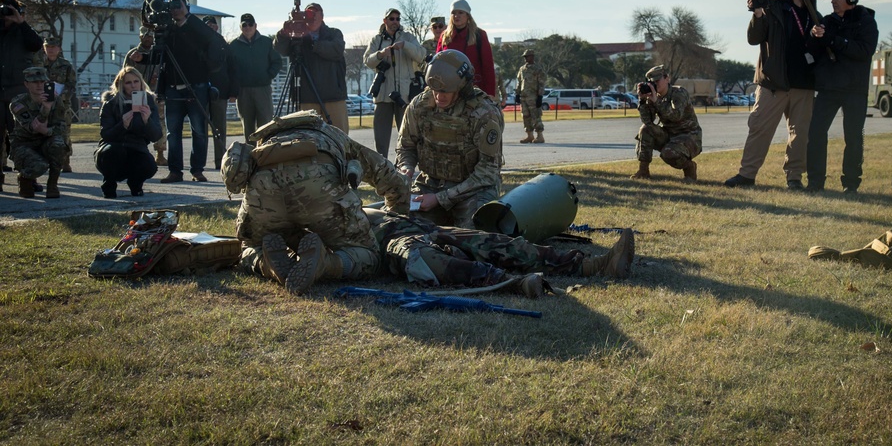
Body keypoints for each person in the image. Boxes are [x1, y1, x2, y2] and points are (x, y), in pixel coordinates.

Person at [225, 113, 634, 296]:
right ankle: (526, 279)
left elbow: (241, 239)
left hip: (382, 222)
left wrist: (256, 258)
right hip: (382, 230)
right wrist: (399, 210)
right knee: (431, 256)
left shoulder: (262, 163)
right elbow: (387, 177)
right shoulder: (330, 140)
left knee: (467, 241)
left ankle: (583, 266)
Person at [227, 111, 411, 295]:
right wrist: (397, 216)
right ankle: (326, 264)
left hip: (264, 197)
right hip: (320, 192)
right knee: (369, 256)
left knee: (249, 248)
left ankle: (266, 264)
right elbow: (388, 176)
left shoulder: (267, 140)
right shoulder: (331, 134)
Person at [724, 0, 818, 189]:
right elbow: (754, 38)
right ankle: (747, 175)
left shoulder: (815, 15)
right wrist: (757, 13)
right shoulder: (775, 8)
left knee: (800, 135)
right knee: (759, 129)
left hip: (803, 85)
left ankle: (794, 177)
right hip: (774, 83)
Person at [396, 49, 504, 228]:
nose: (439, 96)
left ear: (462, 87)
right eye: (435, 90)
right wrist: (406, 167)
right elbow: (406, 146)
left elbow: (487, 172)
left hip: (472, 190)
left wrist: (440, 199)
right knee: (400, 227)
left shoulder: (484, 113)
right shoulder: (420, 106)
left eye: (446, 91)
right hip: (431, 185)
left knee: (476, 234)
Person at [805, 0, 878, 193]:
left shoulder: (866, 22)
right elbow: (812, 49)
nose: (832, 0)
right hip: (828, 87)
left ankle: (851, 183)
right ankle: (815, 182)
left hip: (855, 89)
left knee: (853, 137)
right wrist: (813, 35)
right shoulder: (827, 22)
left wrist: (834, 40)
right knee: (816, 132)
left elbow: (864, 51)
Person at [155, 0, 223, 184]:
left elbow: (212, 39)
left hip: (196, 86)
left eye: (180, 6)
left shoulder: (196, 29)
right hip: (172, 87)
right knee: (172, 132)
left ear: (188, 9)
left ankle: (197, 170)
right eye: (173, 7)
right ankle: (175, 171)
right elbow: (159, 55)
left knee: (199, 131)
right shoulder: (168, 30)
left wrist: (187, 17)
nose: (176, 10)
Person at [274, 2, 349, 134]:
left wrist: (314, 44)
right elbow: (280, 49)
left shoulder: (333, 33)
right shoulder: (297, 36)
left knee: (339, 136)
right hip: (306, 96)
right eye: (308, 13)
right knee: (306, 137)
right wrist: (283, 33)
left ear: (322, 16)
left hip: (333, 95)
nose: (312, 17)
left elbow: (336, 50)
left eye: (315, 13)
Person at [362, 7, 426, 158]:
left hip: (404, 94)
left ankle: (404, 164)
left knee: (406, 133)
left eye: (398, 19)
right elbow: (367, 61)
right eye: (391, 19)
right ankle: (383, 165)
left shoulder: (408, 37)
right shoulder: (377, 40)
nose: (395, 22)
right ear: (385, 21)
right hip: (383, 94)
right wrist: (381, 54)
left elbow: (421, 55)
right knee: (381, 134)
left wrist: (405, 45)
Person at [95, 66, 161, 198]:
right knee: (113, 152)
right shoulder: (111, 103)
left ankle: (135, 184)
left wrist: (147, 121)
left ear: (141, 83)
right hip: (112, 148)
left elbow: (156, 136)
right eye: (128, 83)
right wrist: (122, 125)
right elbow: (106, 135)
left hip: (137, 148)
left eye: (136, 81)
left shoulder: (148, 102)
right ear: (121, 85)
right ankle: (109, 184)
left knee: (149, 165)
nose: (133, 86)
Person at [630, 65, 702, 181]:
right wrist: (642, 101)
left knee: (668, 153)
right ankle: (643, 171)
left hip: (689, 136)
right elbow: (648, 121)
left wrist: (656, 101)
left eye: (657, 81)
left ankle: (689, 167)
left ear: (667, 79)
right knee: (645, 129)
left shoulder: (679, 93)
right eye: (651, 82)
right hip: (669, 135)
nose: (655, 84)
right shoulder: (654, 97)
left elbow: (676, 115)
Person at [0, 0, 43, 191]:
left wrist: (21, 22)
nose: (6, 14)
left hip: (18, 91)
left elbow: (36, 44)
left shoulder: (23, 31)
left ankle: (27, 177)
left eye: (10, 10)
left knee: (22, 135)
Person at [8, 66, 67, 198]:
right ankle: (24, 178)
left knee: (59, 144)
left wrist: (47, 131)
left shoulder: (55, 100)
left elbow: (62, 127)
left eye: (42, 82)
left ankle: (52, 185)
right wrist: (45, 108)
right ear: (26, 84)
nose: (40, 85)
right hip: (24, 144)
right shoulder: (18, 103)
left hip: (45, 140)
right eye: (35, 82)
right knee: (39, 166)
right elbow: (33, 128)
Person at [229, 13, 282, 140]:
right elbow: (230, 69)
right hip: (243, 91)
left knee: (266, 123)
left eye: (250, 24)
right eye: (244, 25)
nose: (248, 27)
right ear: (241, 27)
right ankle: (250, 154)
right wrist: (233, 90)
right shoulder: (233, 46)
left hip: (262, 89)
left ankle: (265, 153)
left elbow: (277, 61)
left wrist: (268, 75)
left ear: (256, 25)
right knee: (248, 126)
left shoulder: (267, 42)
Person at [124, 26, 167, 165]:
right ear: (140, 37)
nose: (148, 38)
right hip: (138, 93)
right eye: (145, 35)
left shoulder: (159, 53)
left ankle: (160, 153)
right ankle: (138, 150)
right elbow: (126, 74)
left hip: (156, 92)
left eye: (150, 36)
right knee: (137, 119)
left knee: (159, 122)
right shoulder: (133, 54)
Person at [436, 0, 496, 97]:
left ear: (467, 15)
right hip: (449, 91)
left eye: (460, 12)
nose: (456, 16)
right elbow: (438, 65)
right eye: (453, 13)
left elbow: (488, 66)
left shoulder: (479, 35)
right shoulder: (444, 36)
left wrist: (489, 93)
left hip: (474, 90)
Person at [34, 36, 77, 173]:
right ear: (44, 48)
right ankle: (43, 160)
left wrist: (60, 96)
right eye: (48, 47)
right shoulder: (38, 66)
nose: (51, 50)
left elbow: (71, 85)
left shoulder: (66, 65)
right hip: (42, 105)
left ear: (59, 49)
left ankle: (65, 161)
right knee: (42, 132)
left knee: (63, 133)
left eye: (53, 47)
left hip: (61, 106)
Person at [203, 15, 239, 170]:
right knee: (200, 128)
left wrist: (233, 92)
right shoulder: (196, 43)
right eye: (206, 25)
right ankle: (199, 163)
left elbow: (232, 69)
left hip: (221, 92)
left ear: (216, 27)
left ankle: (220, 161)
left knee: (220, 129)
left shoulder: (223, 43)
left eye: (212, 25)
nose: (210, 27)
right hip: (201, 91)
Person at [515, 49, 546, 144]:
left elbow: (542, 83)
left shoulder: (538, 69)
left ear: (532, 57)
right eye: (524, 57)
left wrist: (540, 96)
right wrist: (517, 93)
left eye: (527, 56)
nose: (525, 59)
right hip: (524, 96)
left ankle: (540, 136)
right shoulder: (522, 69)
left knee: (535, 116)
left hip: (533, 96)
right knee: (525, 116)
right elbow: (519, 81)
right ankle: (529, 135)